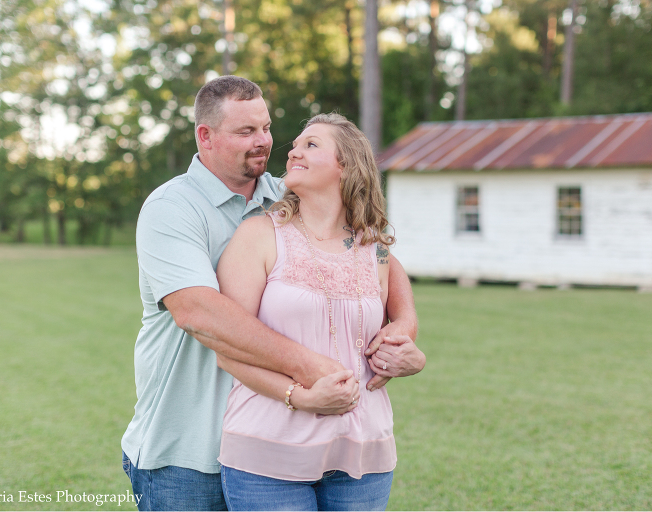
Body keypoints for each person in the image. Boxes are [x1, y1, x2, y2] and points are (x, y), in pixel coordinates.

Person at [121, 76, 425, 511]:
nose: (264, 141)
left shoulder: (284, 197)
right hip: (186, 451)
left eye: (265, 128)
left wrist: (404, 331)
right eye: (246, 132)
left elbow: (376, 260)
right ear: (205, 136)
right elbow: (199, 314)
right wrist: (313, 371)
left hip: (284, 441)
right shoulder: (172, 208)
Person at [215, 113, 413, 511]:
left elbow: (403, 320)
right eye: (295, 144)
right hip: (268, 453)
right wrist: (299, 397)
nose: (293, 150)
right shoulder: (259, 236)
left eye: (311, 144)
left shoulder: (374, 248)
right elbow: (227, 349)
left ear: (346, 166)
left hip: (363, 454)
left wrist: (407, 351)